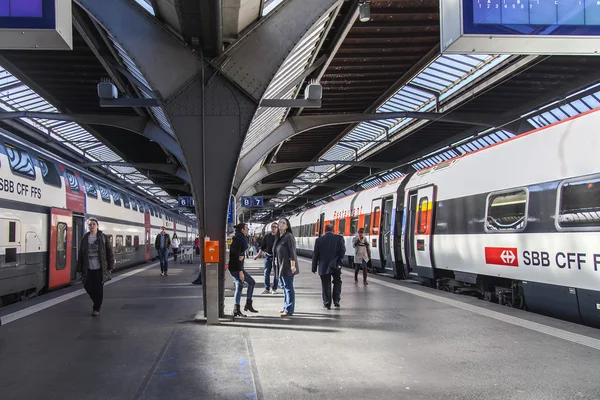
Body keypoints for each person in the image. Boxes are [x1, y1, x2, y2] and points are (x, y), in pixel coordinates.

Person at [76, 218, 114, 316]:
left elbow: (109, 253)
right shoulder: (85, 238)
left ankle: (96, 308)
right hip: (88, 268)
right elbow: (81, 254)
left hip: (99, 268)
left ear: (97, 226)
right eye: (90, 225)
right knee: (87, 286)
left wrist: (110, 266)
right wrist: (79, 268)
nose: (92, 226)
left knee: (98, 289)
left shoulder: (103, 237)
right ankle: (96, 302)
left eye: (93, 224)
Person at [312, 223, 346, 309]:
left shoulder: (319, 240)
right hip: (336, 265)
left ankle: (327, 303)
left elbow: (315, 255)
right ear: (333, 230)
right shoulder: (339, 238)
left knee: (325, 284)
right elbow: (342, 251)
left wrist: (314, 267)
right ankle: (336, 300)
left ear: (325, 230)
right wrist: (339, 262)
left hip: (323, 266)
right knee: (337, 282)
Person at [228, 223, 258, 317]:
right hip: (236, 268)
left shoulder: (240, 239)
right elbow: (236, 257)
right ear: (242, 230)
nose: (248, 229)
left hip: (235, 267)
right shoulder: (238, 241)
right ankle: (247, 304)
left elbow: (239, 257)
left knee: (239, 285)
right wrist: (240, 271)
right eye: (246, 228)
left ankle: (237, 309)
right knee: (251, 283)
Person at [273, 218, 299, 317]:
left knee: (288, 288)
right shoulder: (280, 237)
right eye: (280, 222)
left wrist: (293, 266)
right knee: (284, 287)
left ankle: (289, 310)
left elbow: (292, 251)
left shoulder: (289, 236)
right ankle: (285, 306)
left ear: (287, 226)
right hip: (280, 266)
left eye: (283, 223)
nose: (280, 224)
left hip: (287, 266)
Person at [254, 222, 278, 294]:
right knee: (266, 273)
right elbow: (262, 247)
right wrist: (257, 255)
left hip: (276, 258)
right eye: (272, 227)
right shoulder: (267, 236)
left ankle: (274, 289)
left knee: (276, 274)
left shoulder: (279, 237)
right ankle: (267, 289)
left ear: (277, 228)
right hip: (268, 257)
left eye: (275, 227)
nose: (273, 228)